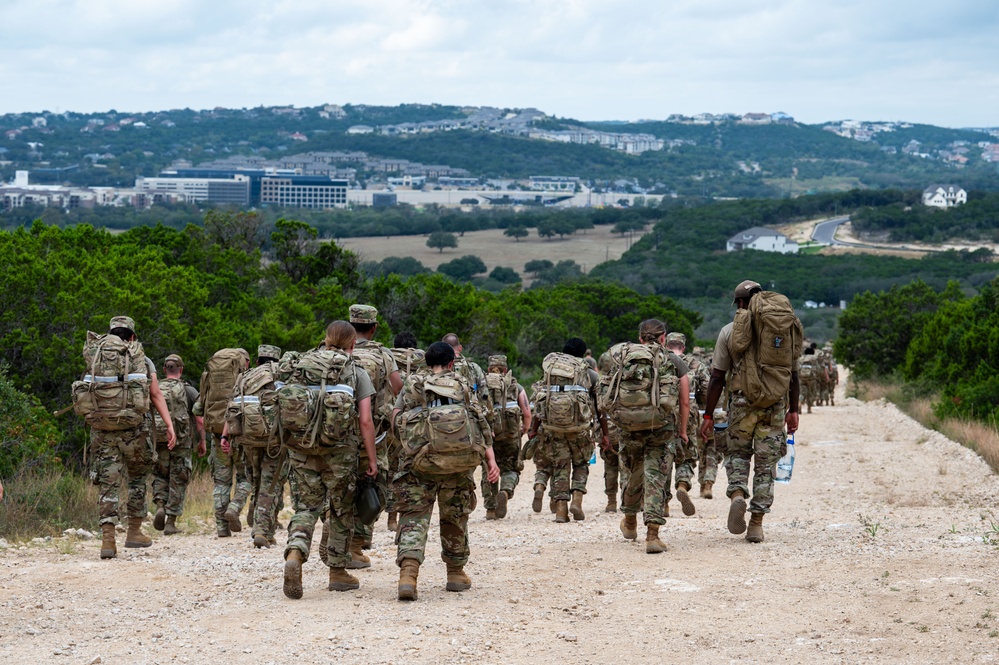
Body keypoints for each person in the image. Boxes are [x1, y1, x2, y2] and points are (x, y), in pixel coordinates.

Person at [391, 341, 500, 601]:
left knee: (414, 517)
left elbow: (396, 416)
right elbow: (479, 421)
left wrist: (408, 446)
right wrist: (490, 460)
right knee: (455, 516)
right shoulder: (462, 383)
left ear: (426, 362)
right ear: (452, 362)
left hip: (419, 462)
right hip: (458, 464)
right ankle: (455, 574)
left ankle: (408, 574)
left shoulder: (412, 384)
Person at [700, 280, 800, 544]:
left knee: (737, 454)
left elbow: (717, 377)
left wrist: (708, 415)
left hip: (742, 403)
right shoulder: (783, 330)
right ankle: (756, 523)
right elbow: (794, 373)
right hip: (775, 405)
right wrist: (794, 410)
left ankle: (737, 494)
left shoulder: (729, 331)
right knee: (766, 465)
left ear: (741, 304)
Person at [283, 321, 378, 599]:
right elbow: (365, 420)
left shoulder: (301, 365)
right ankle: (337, 573)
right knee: (340, 508)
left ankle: (295, 554)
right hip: (340, 452)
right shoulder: (355, 371)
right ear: (352, 345)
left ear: (325, 340)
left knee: (305, 507)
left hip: (302, 449)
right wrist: (371, 458)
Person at [86, 316, 176, 559]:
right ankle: (134, 532)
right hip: (135, 431)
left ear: (111, 334)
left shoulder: (97, 356)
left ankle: (108, 540)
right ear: (132, 336)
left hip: (103, 430)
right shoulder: (140, 358)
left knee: (108, 483)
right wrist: (169, 426)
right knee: (137, 478)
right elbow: (156, 394)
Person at [609, 320, 689, 553]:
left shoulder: (624, 357)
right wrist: (682, 431)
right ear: (664, 337)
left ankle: (630, 520)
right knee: (655, 478)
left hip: (628, 427)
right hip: (661, 429)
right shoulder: (673, 360)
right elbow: (684, 401)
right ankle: (652, 535)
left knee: (632, 474)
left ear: (641, 337)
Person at [345, 304, 402, 568]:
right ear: (374, 327)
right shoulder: (382, 354)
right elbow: (399, 387)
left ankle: (334, 541)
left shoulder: (331, 351)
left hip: (336, 435)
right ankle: (356, 546)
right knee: (373, 487)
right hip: (374, 435)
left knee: (339, 489)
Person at [528, 337, 608, 523]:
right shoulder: (590, 374)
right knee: (581, 464)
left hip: (553, 427)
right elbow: (600, 408)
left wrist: (534, 429)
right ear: (583, 355)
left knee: (560, 465)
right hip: (579, 428)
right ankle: (577, 501)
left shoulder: (550, 372)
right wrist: (604, 434)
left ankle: (561, 510)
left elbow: (541, 402)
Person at [222, 344, 286, 548]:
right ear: (277, 361)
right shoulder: (279, 376)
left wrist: (225, 437)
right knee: (271, 483)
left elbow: (231, 407)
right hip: (274, 439)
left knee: (256, 480)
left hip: (247, 438)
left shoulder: (245, 376)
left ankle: (258, 525)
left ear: (258, 361)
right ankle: (262, 530)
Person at [151, 354, 205, 536]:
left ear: (165, 370)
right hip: (181, 441)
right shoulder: (188, 390)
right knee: (178, 478)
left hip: (159, 439)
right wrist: (202, 440)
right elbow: (199, 420)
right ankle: (171, 521)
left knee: (160, 474)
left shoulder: (155, 388)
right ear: (181, 370)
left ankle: (160, 505)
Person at [481, 355, 531, 519]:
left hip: (489, 433)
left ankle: (490, 509)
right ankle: (506, 490)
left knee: (489, 468)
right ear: (505, 369)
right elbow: (527, 413)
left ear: (489, 369)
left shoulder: (482, 384)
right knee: (511, 467)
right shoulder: (516, 386)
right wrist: (524, 429)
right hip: (510, 433)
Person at [664, 332, 709, 514]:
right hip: (688, 411)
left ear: (666, 345)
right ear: (683, 347)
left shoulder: (661, 361)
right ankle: (682, 484)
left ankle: (664, 502)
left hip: (664, 412)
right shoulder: (696, 364)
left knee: (663, 455)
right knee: (687, 453)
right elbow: (706, 389)